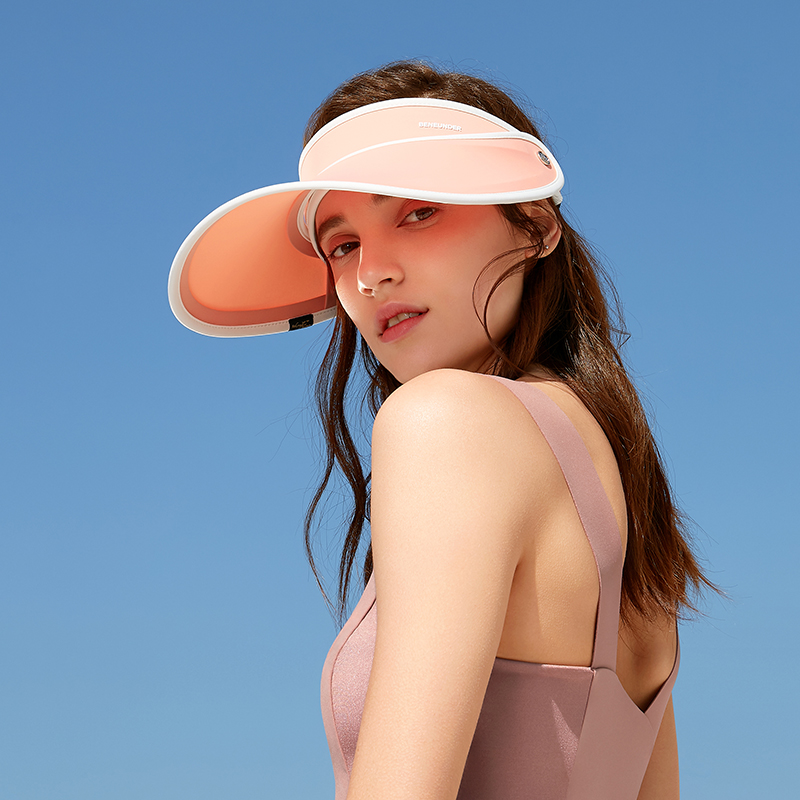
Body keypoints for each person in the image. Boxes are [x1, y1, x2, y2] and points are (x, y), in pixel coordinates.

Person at [168, 61, 714, 800]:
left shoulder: (446, 421)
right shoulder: (623, 490)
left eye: (418, 213)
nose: (371, 274)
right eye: (342, 245)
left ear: (535, 226)